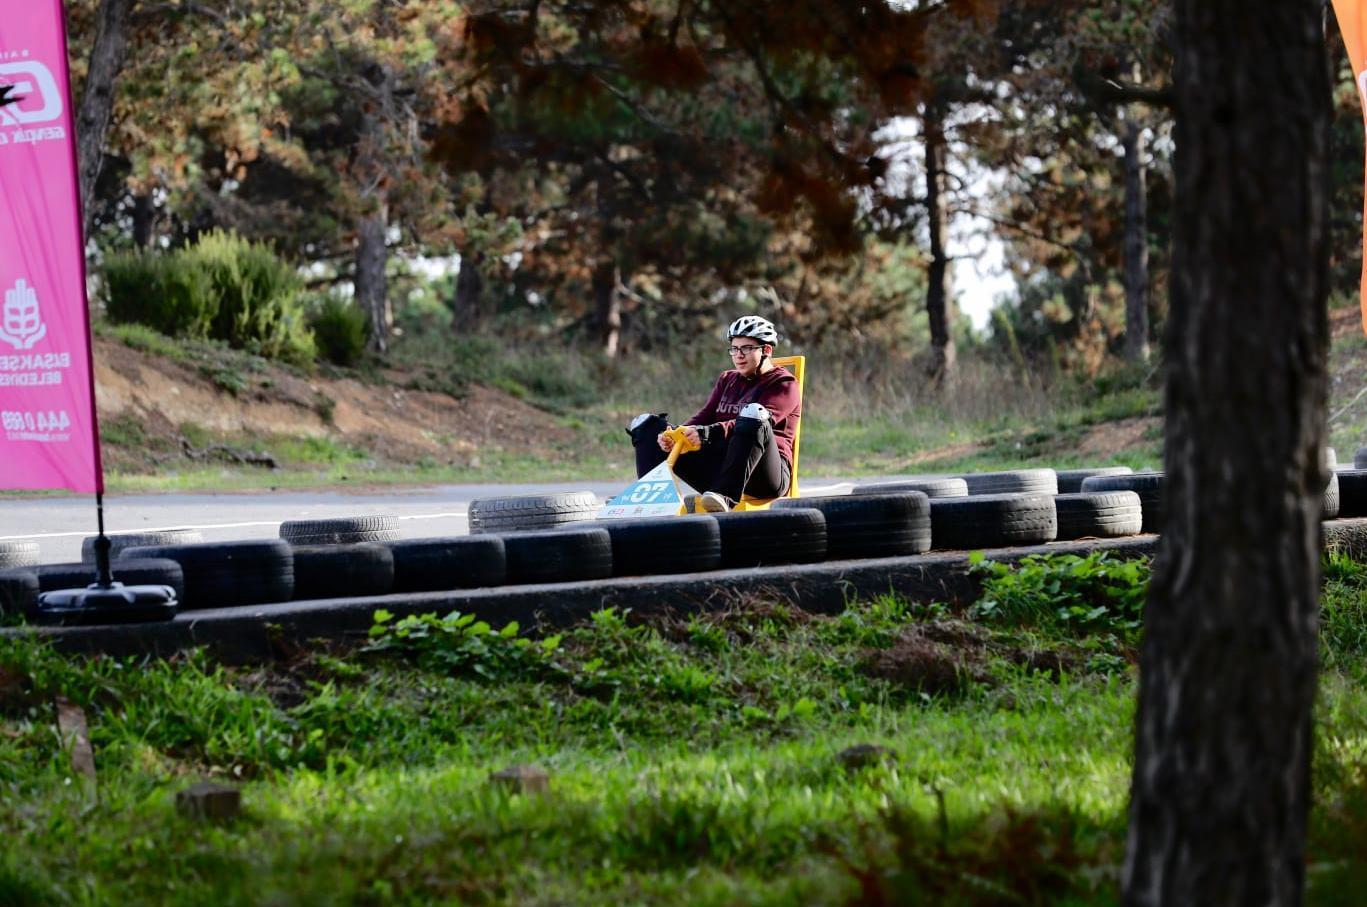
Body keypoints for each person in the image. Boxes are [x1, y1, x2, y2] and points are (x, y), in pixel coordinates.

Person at [627, 315, 800, 512]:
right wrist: (677, 435)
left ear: (766, 350)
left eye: (747, 348)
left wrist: (706, 433)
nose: (739, 355)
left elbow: (747, 423)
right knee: (647, 425)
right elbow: (705, 416)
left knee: (754, 414)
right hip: (723, 470)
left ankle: (724, 496)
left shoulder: (784, 384)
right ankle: (650, 501)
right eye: (734, 349)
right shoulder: (728, 379)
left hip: (765, 478)